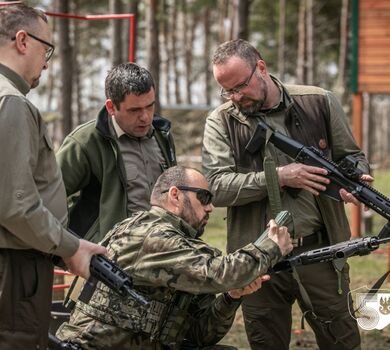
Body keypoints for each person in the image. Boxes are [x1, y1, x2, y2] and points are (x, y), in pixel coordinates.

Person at [202, 39, 372, 350]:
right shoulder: (222, 121)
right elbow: (216, 187)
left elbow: (353, 155)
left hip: (321, 249)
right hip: (257, 256)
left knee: (343, 340)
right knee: (266, 341)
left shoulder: (319, 102)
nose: (236, 97)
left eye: (240, 86)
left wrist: (354, 176)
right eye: (228, 91)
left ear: (261, 68)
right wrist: (279, 177)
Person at [56, 165, 293, 350]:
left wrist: (231, 296)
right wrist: (269, 247)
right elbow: (219, 273)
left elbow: (201, 335)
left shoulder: (180, 244)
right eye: (204, 198)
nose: (211, 208)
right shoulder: (150, 235)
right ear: (175, 195)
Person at [0, 4, 106, 350]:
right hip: (15, 272)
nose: (46, 62)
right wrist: (71, 247)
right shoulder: (12, 102)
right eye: (47, 49)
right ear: (22, 41)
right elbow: (16, 205)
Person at [57, 62, 176, 243]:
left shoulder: (162, 134)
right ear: (111, 107)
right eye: (134, 110)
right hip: (112, 259)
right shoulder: (85, 142)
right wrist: (73, 245)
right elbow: (47, 195)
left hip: (165, 249)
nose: (145, 117)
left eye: (150, 106)